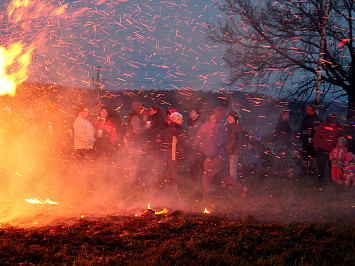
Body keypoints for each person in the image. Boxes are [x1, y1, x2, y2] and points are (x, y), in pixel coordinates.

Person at [202, 106, 248, 200]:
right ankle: (242, 189)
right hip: (223, 157)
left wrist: (210, 156)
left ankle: (206, 199)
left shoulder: (220, 126)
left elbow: (218, 143)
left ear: (218, 114)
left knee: (206, 173)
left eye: (215, 113)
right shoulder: (225, 124)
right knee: (224, 176)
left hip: (218, 156)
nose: (213, 115)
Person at [125, 101, 151, 188]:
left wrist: (144, 120)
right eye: (142, 107)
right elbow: (137, 130)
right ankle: (131, 184)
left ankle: (134, 182)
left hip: (135, 143)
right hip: (134, 144)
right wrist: (146, 127)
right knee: (134, 164)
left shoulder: (137, 117)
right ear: (138, 107)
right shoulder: (135, 117)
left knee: (137, 164)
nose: (143, 109)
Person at [314, 113, 345, 185]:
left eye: (334, 123)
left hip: (334, 150)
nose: (333, 125)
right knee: (321, 165)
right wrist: (321, 145)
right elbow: (317, 136)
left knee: (333, 166)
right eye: (332, 123)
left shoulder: (339, 127)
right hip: (323, 149)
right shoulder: (323, 125)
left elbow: (342, 137)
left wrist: (341, 146)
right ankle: (320, 181)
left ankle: (333, 181)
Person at [72, 105, 95, 195]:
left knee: (87, 169)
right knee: (82, 169)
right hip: (82, 148)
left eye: (87, 111)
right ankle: (80, 190)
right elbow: (79, 134)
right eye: (84, 111)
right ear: (80, 112)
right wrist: (88, 141)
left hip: (87, 147)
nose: (86, 112)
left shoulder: (85, 121)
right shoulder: (78, 121)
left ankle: (86, 190)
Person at [162, 112, 188, 189]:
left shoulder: (177, 128)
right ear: (175, 119)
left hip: (174, 153)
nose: (182, 121)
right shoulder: (174, 129)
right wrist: (179, 154)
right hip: (174, 153)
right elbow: (176, 142)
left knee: (174, 168)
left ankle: (170, 184)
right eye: (180, 119)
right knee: (173, 168)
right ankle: (172, 185)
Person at [300, 104, 323, 174]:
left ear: (312, 110)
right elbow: (302, 129)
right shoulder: (306, 118)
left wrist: (312, 132)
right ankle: (303, 172)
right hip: (305, 141)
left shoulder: (317, 119)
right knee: (304, 157)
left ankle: (312, 173)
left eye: (308, 109)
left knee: (312, 158)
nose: (306, 110)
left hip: (313, 143)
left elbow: (320, 131)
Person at [273, 109, 292, 175]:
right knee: (281, 160)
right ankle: (280, 174)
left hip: (283, 145)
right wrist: (282, 144)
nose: (289, 115)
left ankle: (281, 173)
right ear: (283, 115)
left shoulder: (284, 123)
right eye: (287, 114)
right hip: (281, 145)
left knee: (283, 160)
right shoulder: (281, 124)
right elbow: (279, 135)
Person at [187, 108, 204, 181]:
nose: (191, 113)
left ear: (197, 114)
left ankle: (202, 179)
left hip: (197, 146)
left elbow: (193, 132)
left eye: (193, 112)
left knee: (197, 162)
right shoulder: (190, 122)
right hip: (191, 145)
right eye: (191, 111)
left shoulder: (199, 123)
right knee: (191, 162)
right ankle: (195, 179)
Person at [226, 111, 243, 181]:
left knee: (232, 168)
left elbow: (236, 141)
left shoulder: (236, 128)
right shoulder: (228, 127)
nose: (229, 118)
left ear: (235, 118)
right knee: (227, 168)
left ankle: (232, 185)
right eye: (228, 117)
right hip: (228, 150)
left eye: (231, 117)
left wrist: (230, 150)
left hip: (234, 151)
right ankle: (227, 183)